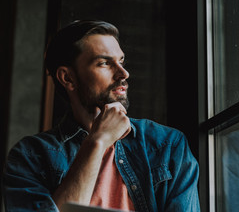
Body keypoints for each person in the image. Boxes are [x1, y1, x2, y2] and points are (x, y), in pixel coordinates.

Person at [2, 20, 200, 212]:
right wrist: (96, 142)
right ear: (68, 78)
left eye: (121, 61)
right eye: (104, 63)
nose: (123, 73)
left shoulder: (167, 145)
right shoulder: (30, 156)